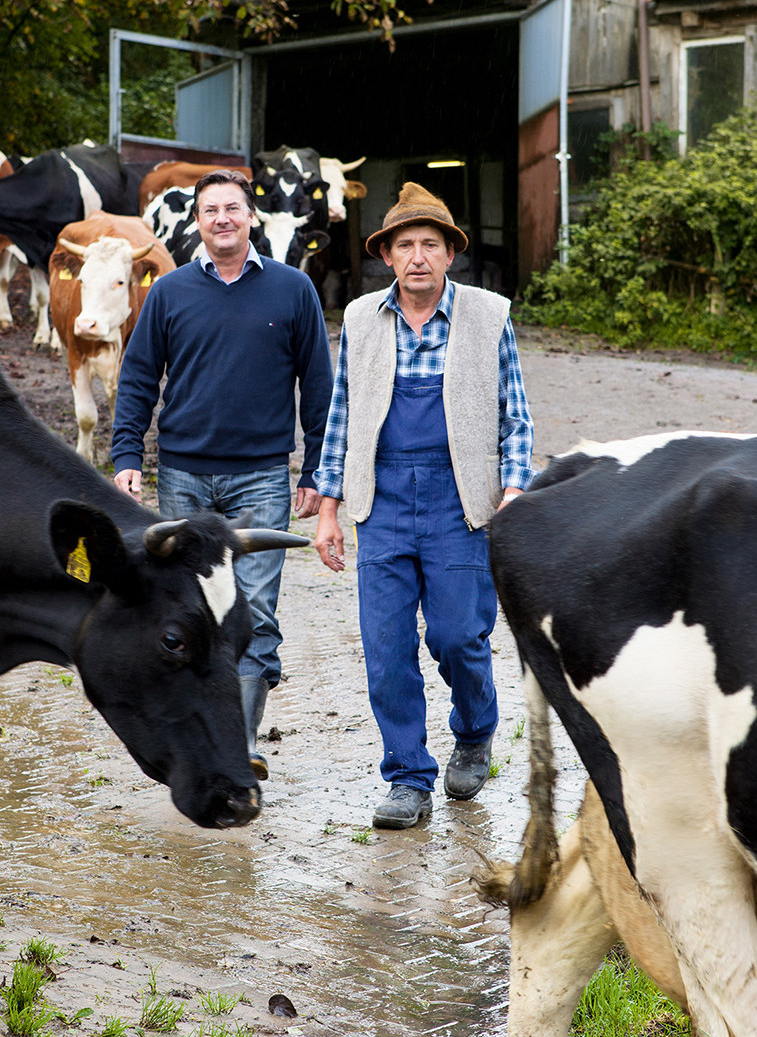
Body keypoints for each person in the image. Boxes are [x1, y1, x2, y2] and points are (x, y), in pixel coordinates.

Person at [314, 182, 533, 829]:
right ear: (386, 255)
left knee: (457, 635)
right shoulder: (359, 319)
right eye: (404, 245)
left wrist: (514, 491)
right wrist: (329, 507)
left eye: (429, 245)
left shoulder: (488, 316)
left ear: (449, 254)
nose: (417, 257)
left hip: (459, 498)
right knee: (385, 649)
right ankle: (407, 777)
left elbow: (514, 417)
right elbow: (342, 417)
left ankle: (474, 728)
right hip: (380, 498)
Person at [111, 169, 333, 777]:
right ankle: (196, 736)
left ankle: (238, 745)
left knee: (254, 613)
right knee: (184, 613)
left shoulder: (293, 290)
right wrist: (127, 457)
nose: (222, 219)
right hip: (182, 475)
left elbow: (318, 388)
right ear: (198, 221)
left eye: (233, 208)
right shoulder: (170, 292)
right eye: (211, 210)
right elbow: (136, 380)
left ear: (251, 216)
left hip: (262, 477)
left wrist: (316, 468)